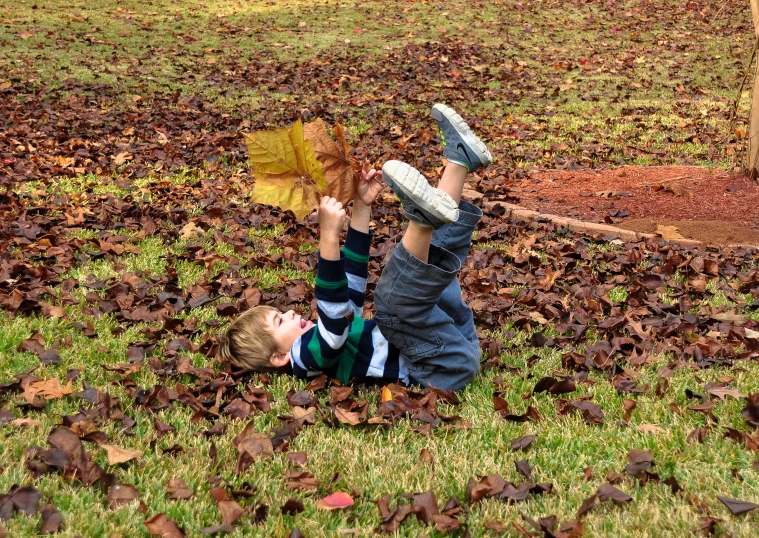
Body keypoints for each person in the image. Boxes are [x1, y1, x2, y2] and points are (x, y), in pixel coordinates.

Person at [218, 104, 493, 391]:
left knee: (430, 264)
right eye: (279, 320)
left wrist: (361, 208)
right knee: (394, 303)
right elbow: (333, 323)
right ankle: (422, 220)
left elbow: (352, 283)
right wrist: (327, 237)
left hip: (452, 342)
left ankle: (459, 160)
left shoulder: (329, 336)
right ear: (278, 357)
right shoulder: (305, 360)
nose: (290, 314)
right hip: (438, 369)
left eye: (281, 312)